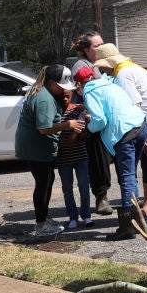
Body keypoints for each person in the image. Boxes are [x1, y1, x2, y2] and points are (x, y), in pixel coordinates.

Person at [94, 43, 147, 225]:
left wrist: (141, 132)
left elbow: (135, 105)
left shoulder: (123, 75)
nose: (101, 70)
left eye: (102, 66)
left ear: (109, 63)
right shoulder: (131, 68)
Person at [14, 64, 85, 236]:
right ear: (52, 82)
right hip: (36, 147)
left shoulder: (42, 90)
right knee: (43, 184)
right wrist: (69, 124)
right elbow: (44, 129)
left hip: (35, 146)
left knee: (47, 181)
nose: (64, 90)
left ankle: (43, 218)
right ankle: (41, 225)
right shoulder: (44, 98)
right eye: (62, 86)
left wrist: (74, 109)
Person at [82, 64, 147, 241]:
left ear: (79, 85)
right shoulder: (110, 83)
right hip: (141, 125)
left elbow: (100, 120)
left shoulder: (89, 92)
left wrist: (88, 127)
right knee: (131, 176)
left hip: (124, 132)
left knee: (127, 177)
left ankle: (127, 227)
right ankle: (137, 222)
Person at [71, 31, 114, 216]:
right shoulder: (82, 66)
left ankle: (130, 197)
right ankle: (101, 197)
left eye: (103, 43)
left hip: (112, 116)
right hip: (93, 118)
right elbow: (84, 91)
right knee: (99, 160)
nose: (102, 47)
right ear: (87, 50)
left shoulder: (105, 64)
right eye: (97, 46)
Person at [58, 69, 94, 229]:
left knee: (84, 186)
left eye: (68, 95)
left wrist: (85, 123)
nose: (65, 99)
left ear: (73, 93)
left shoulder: (79, 108)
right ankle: (72, 216)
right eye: (62, 96)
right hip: (63, 157)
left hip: (81, 155)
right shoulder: (56, 112)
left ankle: (86, 215)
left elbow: (85, 131)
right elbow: (54, 134)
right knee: (67, 188)